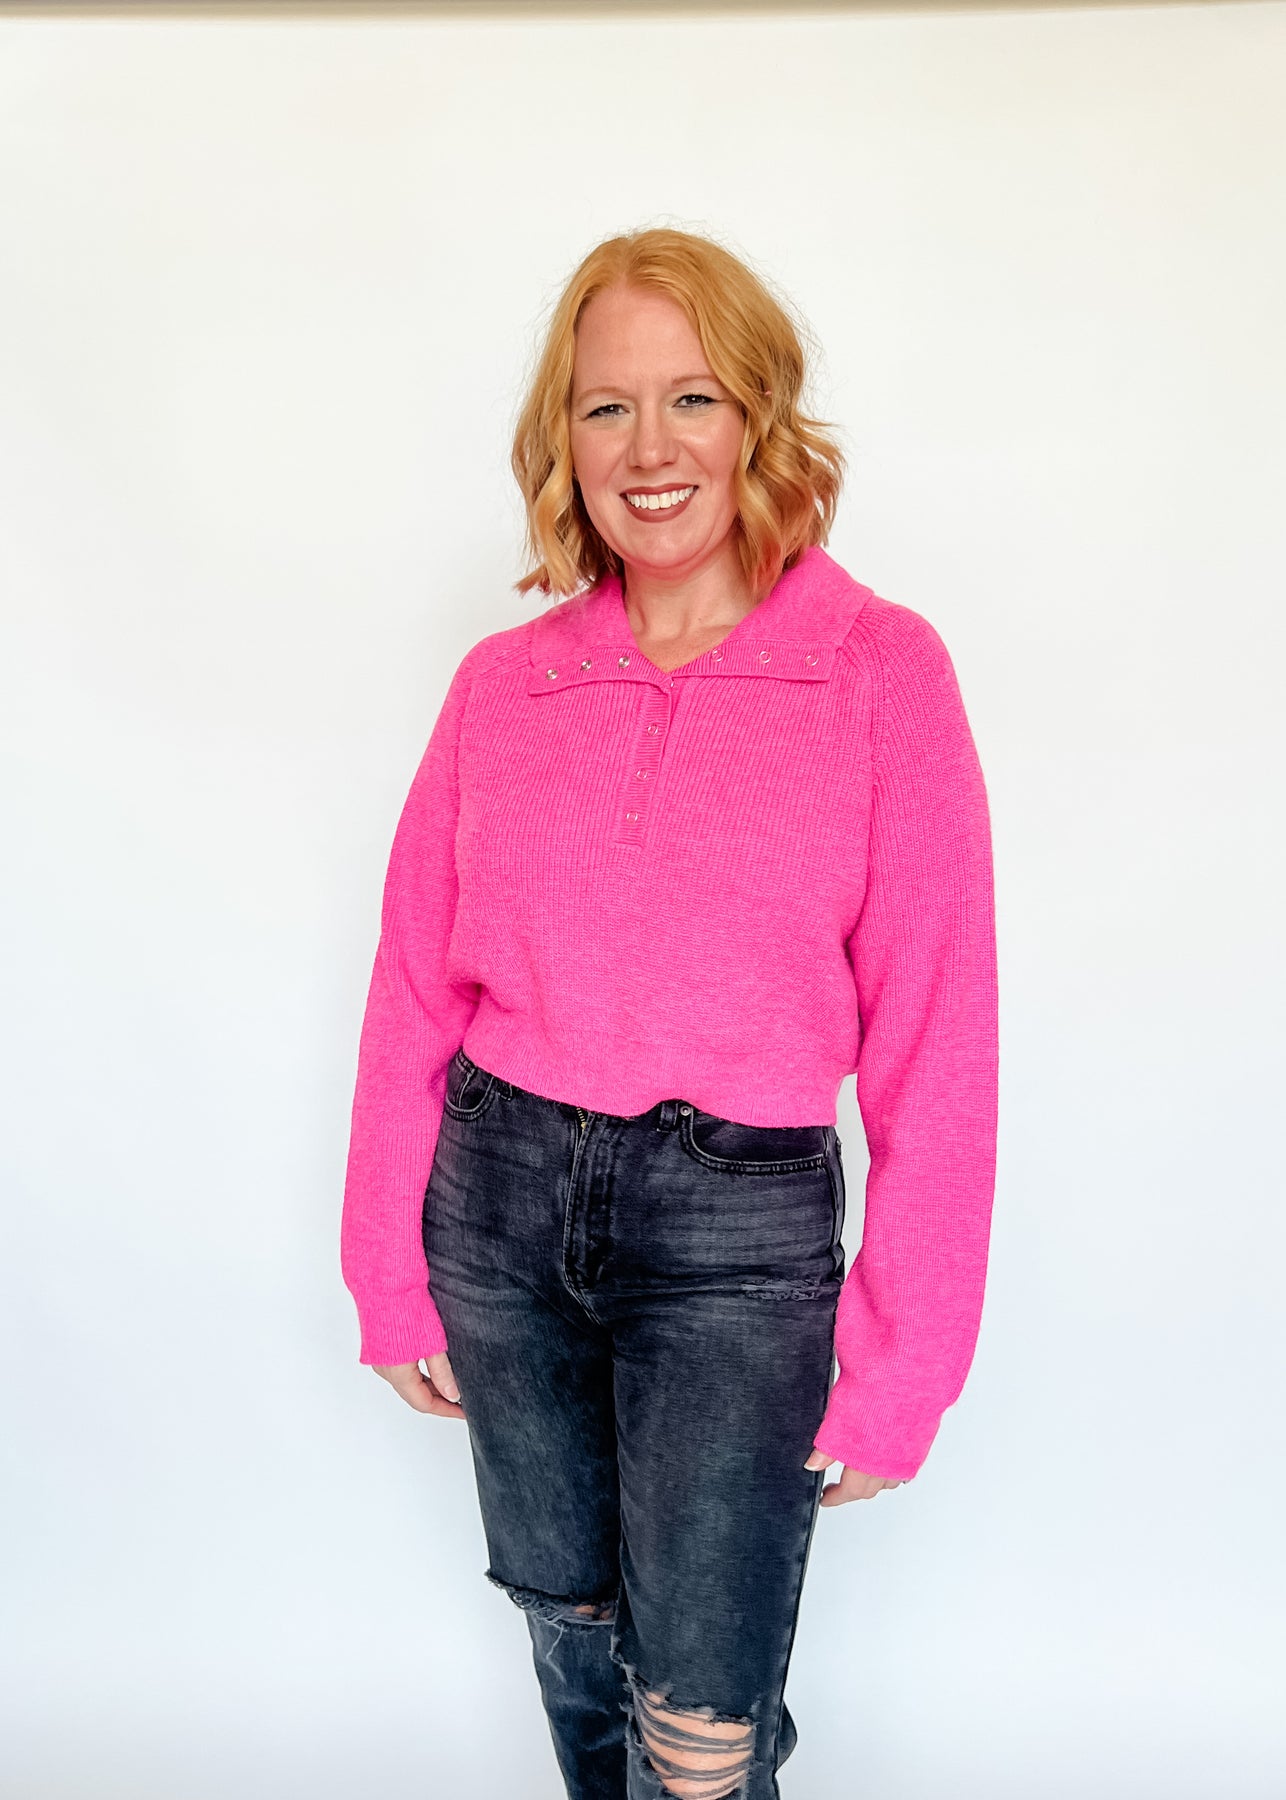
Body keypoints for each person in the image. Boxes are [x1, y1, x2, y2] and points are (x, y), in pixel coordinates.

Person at [340, 225, 998, 1800]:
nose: (648, 450)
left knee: (700, 1718)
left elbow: (938, 1040)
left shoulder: (877, 671)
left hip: (734, 1242)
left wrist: (902, 1364)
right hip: (500, 1209)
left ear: (758, 419)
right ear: (560, 438)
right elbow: (413, 984)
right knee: (571, 1637)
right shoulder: (505, 685)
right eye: (605, 406)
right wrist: (385, 1268)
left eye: (691, 398)